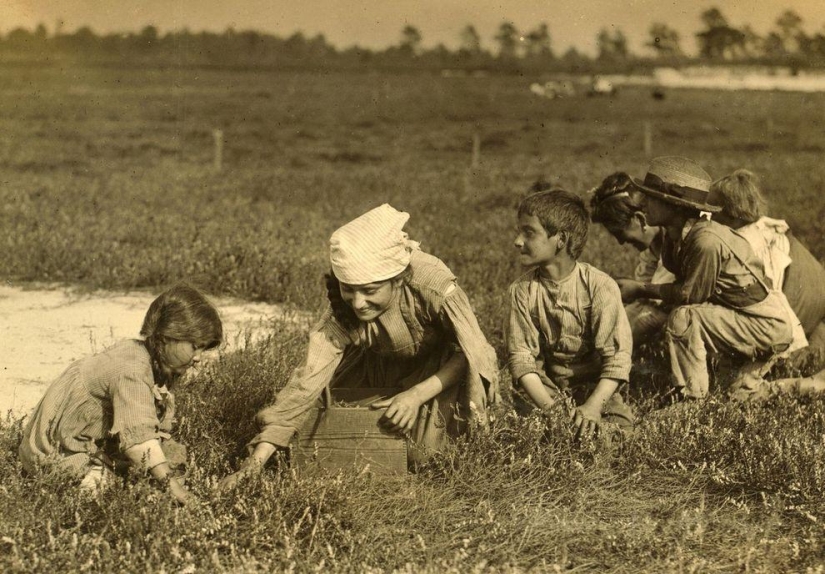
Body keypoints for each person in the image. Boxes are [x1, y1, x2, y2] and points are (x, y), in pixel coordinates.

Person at [220, 204, 500, 488]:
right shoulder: (341, 312)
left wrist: (414, 396)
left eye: (369, 291)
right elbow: (307, 383)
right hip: (378, 365)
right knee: (325, 428)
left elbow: (472, 352)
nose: (357, 303)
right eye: (349, 289)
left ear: (398, 280)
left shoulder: (433, 285)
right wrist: (251, 466)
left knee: (426, 456)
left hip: (440, 371)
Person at [18, 283, 223, 504]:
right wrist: (173, 487)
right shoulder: (131, 370)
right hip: (59, 452)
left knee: (165, 465)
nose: (198, 358)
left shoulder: (154, 361)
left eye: (203, 349)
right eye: (195, 346)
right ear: (167, 337)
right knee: (113, 493)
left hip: (90, 441)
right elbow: (139, 442)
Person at [616, 156, 795, 402]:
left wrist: (640, 289)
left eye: (651, 198)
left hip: (764, 324)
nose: (642, 203)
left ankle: (692, 401)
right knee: (739, 395)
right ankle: (810, 384)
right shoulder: (674, 236)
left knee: (683, 316)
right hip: (738, 318)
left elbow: (689, 296)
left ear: (676, 205)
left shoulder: (706, 241)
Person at [506, 189, 633, 440]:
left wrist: (594, 407)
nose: (518, 241)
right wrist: (554, 411)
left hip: (596, 388)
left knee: (615, 436)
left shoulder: (600, 286)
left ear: (561, 239)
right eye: (519, 232)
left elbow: (617, 360)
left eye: (529, 232)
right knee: (534, 437)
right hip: (546, 390)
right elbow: (522, 361)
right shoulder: (521, 291)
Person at [707, 169, 825, 365]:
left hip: (799, 307)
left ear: (734, 215)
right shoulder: (760, 230)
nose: (707, 216)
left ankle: (789, 357)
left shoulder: (748, 243)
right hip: (816, 302)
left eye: (713, 211)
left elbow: (773, 296)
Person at [589, 172, 675, 346]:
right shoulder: (653, 247)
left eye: (620, 233)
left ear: (639, 219)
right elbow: (643, 292)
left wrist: (637, 290)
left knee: (645, 320)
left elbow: (666, 297)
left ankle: (597, 363)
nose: (621, 242)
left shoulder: (675, 237)